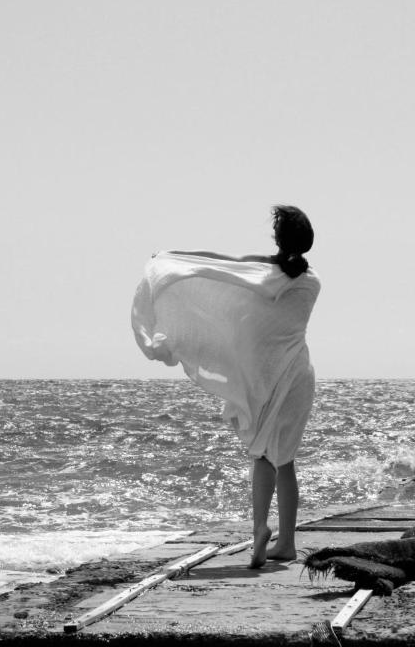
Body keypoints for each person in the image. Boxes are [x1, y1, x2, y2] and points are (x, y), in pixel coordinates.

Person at [131, 205, 320, 568]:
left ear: (279, 239)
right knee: (286, 460)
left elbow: (218, 264)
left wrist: (173, 257)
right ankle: (288, 543)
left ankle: (260, 529)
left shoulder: (263, 273)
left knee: (261, 454)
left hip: (261, 376)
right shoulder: (312, 281)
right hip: (296, 374)